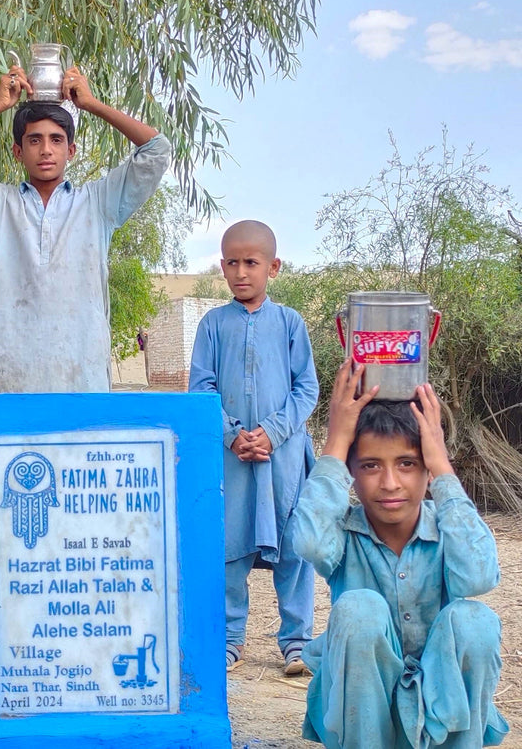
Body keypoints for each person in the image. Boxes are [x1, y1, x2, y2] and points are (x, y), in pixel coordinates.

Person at [291, 360, 509, 748]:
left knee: (475, 620)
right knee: (359, 608)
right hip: (362, 716)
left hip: (441, 711)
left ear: (426, 470)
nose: (390, 483)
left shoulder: (446, 528)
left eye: (407, 464)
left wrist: (442, 465)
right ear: (351, 473)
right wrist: (335, 443)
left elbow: (478, 576)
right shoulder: (342, 533)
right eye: (371, 465)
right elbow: (307, 542)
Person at [0, 64, 171, 393]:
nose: (46, 149)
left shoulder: (98, 204)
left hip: (81, 383)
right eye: (34, 140)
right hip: (6, 384)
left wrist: (92, 105)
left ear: (71, 151)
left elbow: (157, 151)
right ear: (18, 151)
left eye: (56, 140)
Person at [188, 220, 319, 675]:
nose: (241, 271)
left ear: (273, 267)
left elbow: (307, 388)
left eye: (252, 262)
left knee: (295, 550)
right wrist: (232, 434)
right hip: (233, 460)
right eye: (232, 262)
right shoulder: (212, 325)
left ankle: (297, 642)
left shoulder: (290, 323)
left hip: (283, 460)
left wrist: (273, 432)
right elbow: (200, 388)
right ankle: (228, 639)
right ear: (221, 266)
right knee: (229, 548)